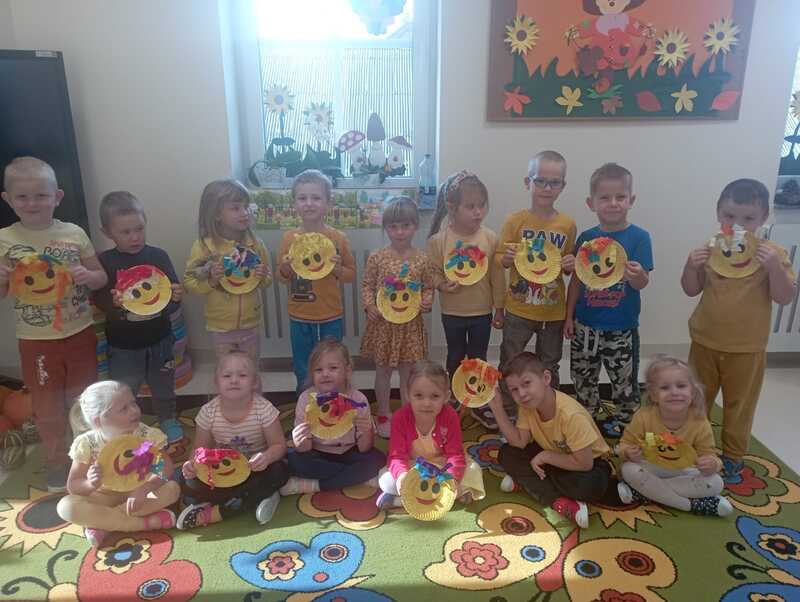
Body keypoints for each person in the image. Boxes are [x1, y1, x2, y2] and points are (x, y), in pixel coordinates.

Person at [0, 157, 107, 491]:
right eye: (22, 197)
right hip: (36, 342)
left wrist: (88, 275)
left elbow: (101, 278)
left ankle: (90, 458)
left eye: (41, 195)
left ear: (57, 197)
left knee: (85, 399)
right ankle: (58, 462)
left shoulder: (73, 233)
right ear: (8, 199)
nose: (32, 203)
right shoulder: (4, 239)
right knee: (46, 405)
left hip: (79, 334)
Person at [681, 178, 796, 482]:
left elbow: (784, 297)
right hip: (704, 341)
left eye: (748, 218)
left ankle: (732, 456)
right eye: (730, 216)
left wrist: (774, 267)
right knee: (696, 401)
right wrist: (691, 266)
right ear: (718, 213)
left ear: (763, 218)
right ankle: (697, 448)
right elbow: (690, 289)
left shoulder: (772, 254)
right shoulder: (711, 249)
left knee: (739, 406)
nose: (738, 225)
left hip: (747, 349)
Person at [565, 163, 653, 430]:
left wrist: (637, 275)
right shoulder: (586, 238)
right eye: (605, 197)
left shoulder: (639, 238)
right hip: (585, 326)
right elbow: (576, 281)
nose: (613, 203)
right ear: (591, 203)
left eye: (620, 197)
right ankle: (586, 421)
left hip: (621, 327)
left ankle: (627, 424)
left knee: (624, 380)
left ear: (631, 200)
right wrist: (568, 317)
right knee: (582, 376)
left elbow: (642, 283)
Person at [490, 352, 622, 528]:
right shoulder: (527, 406)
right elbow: (520, 442)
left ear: (546, 378)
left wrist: (546, 457)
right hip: (554, 457)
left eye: (527, 383)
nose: (521, 394)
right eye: (514, 389)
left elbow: (584, 464)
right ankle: (558, 500)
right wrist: (497, 408)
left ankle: (529, 482)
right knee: (507, 453)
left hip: (588, 464)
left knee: (587, 486)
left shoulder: (571, 415)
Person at [94, 191, 185, 443]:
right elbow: (99, 299)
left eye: (139, 229)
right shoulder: (105, 261)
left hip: (160, 339)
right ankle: (126, 426)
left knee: (163, 384)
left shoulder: (158, 256)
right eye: (125, 232)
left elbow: (171, 294)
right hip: (123, 346)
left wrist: (176, 297)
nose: (134, 237)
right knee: (124, 390)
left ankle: (167, 418)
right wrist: (112, 304)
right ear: (107, 232)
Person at [496, 151, 576, 426]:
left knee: (550, 362)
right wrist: (506, 259)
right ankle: (509, 409)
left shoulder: (567, 225)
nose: (547, 188)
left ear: (563, 186)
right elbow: (499, 258)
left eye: (554, 182)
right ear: (527, 182)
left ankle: (548, 411)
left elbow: (567, 266)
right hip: (519, 308)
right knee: (511, 359)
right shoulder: (515, 221)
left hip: (553, 310)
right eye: (540, 181)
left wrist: (570, 264)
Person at [56, 381, 179, 547]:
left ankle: (105, 524)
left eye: (133, 403)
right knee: (66, 507)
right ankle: (142, 524)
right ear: (98, 421)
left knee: (172, 489)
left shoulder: (145, 435)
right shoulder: (88, 444)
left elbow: (166, 467)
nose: (134, 410)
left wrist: (145, 488)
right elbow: (74, 485)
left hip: (139, 493)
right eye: (124, 409)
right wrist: (90, 484)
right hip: (104, 496)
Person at [426, 170, 505, 427]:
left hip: (481, 312)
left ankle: (478, 401)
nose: (478, 212)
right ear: (452, 207)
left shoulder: (490, 238)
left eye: (482, 205)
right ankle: (454, 397)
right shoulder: (439, 241)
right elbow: (432, 272)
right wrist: (441, 285)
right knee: (455, 356)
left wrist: (500, 308)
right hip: (453, 313)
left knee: (478, 359)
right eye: (470, 207)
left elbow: (497, 276)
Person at [176, 352, 289, 529]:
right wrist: (191, 465)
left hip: (255, 471)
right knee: (185, 480)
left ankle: (222, 509)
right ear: (217, 382)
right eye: (227, 376)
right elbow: (199, 449)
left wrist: (266, 457)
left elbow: (279, 446)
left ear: (254, 382)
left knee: (280, 471)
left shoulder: (264, 410)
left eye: (242, 375)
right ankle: (253, 498)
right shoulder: (208, 412)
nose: (234, 380)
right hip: (221, 474)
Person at [618, 356, 732, 517]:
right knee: (628, 469)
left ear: (692, 391)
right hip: (651, 467)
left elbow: (709, 454)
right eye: (665, 388)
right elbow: (624, 444)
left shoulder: (700, 422)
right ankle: (689, 505)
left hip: (683, 471)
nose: (674, 392)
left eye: (681, 386)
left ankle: (645, 493)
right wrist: (628, 452)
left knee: (716, 482)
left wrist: (712, 464)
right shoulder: (643, 417)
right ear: (654, 395)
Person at [277, 170, 356, 396]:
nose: (309, 203)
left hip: (331, 315)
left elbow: (351, 274)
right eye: (302, 198)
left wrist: (338, 269)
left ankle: (334, 404)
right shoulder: (289, 239)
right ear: (294, 203)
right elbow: (281, 277)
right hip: (299, 315)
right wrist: (286, 268)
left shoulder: (338, 238)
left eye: (316, 198)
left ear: (328, 203)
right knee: (303, 366)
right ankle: (305, 406)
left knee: (333, 366)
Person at [361, 197, 434, 438]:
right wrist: (369, 305)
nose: (400, 232)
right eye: (393, 226)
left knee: (408, 373)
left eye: (405, 226)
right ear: (386, 228)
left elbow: (428, 286)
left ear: (415, 226)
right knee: (382, 371)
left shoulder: (422, 259)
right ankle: (383, 412)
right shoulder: (377, 257)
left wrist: (427, 300)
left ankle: (406, 415)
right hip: (383, 326)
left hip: (410, 327)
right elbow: (367, 285)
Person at [280, 340, 386, 495]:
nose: (325, 374)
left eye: (333, 368)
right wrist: (299, 440)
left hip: (349, 450)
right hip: (317, 452)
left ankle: (315, 485)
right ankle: (356, 477)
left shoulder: (358, 399)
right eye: (318, 370)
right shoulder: (306, 399)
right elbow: (305, 448)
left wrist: (367, 431)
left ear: (347, 371)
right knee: (294, 461)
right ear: (312, 374)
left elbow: (364, 448)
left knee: (377, 459)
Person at [183, 179, 271, 365]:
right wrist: (211, 281)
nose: (244, 212)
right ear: (216, 214)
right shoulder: (204, 247)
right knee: (226, 370)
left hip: (250, 323)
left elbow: (267, 280)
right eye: (235, 208)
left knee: (250, 369)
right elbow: (189, 283)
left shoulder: (255, 245)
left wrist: (263, 276)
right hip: (220, 326)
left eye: (246, 207)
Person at [376, 360, 485, 508]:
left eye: (434, 396)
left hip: (443, 466)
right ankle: (441, 498)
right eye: (418, 396)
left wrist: (452, 478)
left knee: (474, 471)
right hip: (414, 466)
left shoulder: (450, 416)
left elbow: (455, 455)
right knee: (386, 480)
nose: (426, 403)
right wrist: (402, 476)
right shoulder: (400, 418)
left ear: (446, 397)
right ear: (408, 395)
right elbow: (397, 456)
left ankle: (403, 501)